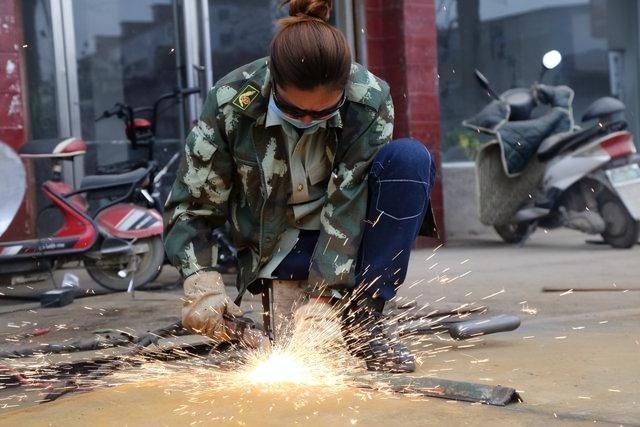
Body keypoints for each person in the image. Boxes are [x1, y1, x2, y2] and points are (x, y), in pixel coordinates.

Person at [163, 0, 437, 373]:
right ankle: (303, 303)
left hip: (346, 239)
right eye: (294, 111)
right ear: (273, 82)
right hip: (277, 243)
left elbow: (348, 202)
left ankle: (363, 315)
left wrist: (325, 299)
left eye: (323, 113)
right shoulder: (232, 102)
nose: (307, 120)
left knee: (410, 159)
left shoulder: (368, 100)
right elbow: (194, 204)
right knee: (290, 349)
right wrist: (200, 280)